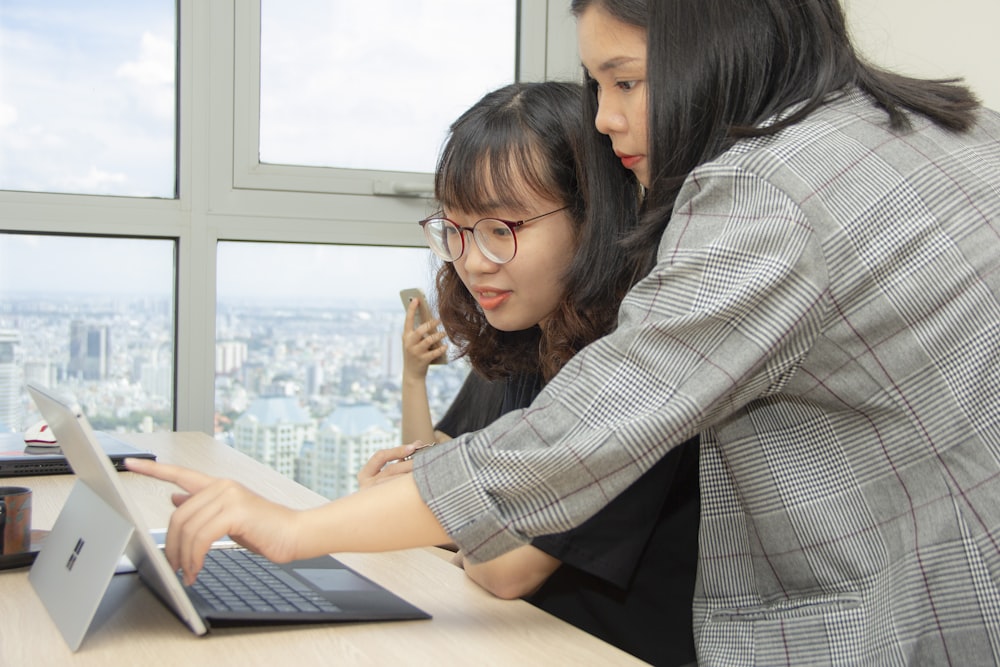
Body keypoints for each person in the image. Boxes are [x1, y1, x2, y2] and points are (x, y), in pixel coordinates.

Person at [127, 0, 1000, 663]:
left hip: (911, 616)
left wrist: (294, 530)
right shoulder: (955, 135)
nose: (608, 119)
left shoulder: (764, 194)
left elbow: (567, 446)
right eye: (597, 88)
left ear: (717, 48)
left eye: (625, 81)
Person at [367, 81, 700, 666]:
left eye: (502, 230)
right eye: (457, 230)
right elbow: (437, 481)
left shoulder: (638, 364)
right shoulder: (524, 337)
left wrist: (436, 519)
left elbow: (505, 567)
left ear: (591, 217)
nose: (472, 261)